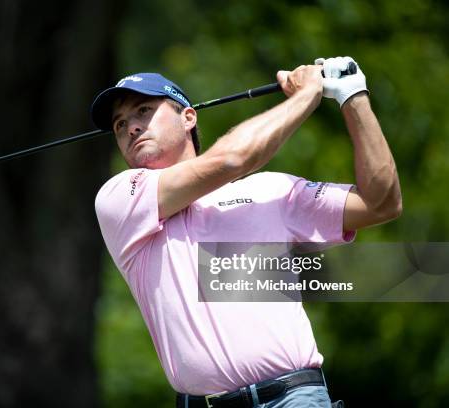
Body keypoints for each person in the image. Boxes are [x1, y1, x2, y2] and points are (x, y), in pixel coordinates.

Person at [90, 57, 401, 408]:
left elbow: (382, 203)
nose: (131, 127)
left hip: (292, 399)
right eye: (119, 124)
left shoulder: (272, 191)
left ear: (188, 116)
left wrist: (352, 96)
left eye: (144, 110)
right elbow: (230, 160)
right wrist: (307, 94)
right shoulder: (120, 199)